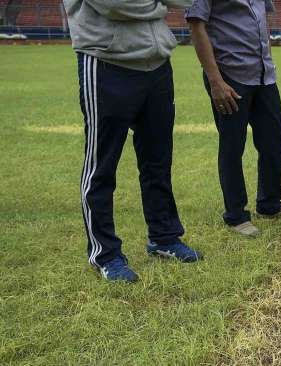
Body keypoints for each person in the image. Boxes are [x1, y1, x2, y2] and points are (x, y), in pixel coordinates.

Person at [64, 0, 203, 282]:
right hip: (106, 61)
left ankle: (164, 237)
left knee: (158, 160)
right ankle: (105, 254)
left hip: (157, 63)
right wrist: (160, 6)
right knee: (101, 165)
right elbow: (114, 4)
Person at [186, 0, 281, 238]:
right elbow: (197, 26)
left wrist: (266, 57)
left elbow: (262, 21)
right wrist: (215, 80)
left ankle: (270, 205)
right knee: (232, 144)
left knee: (275, 138)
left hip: (263, 76)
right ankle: (236, 214)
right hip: (229, 75)